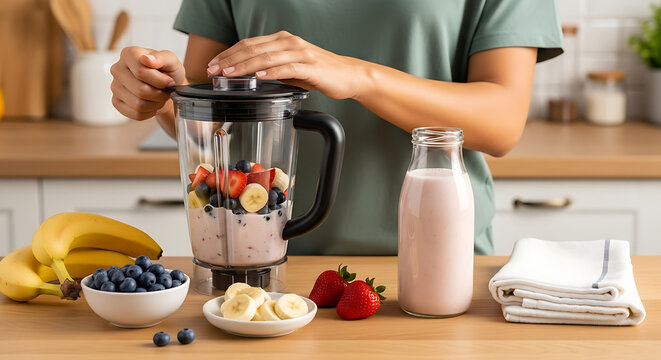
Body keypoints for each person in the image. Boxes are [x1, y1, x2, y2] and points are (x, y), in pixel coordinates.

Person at [110, 0, 563, 256]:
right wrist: (162, 95)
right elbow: (209, 126)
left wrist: (359, 76)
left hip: (433, 263)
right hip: (264, 261)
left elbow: (502, 122)